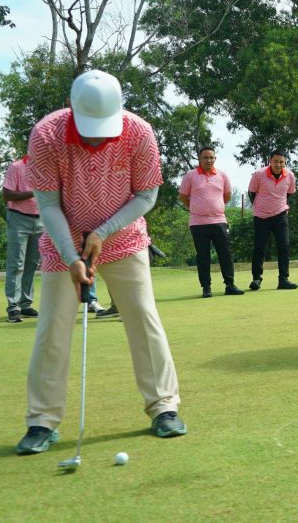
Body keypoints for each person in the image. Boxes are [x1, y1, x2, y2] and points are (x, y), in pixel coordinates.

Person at [15, 70, 186, 456]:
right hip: (63, 240)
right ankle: (41, 419)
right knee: (52, 327)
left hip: (124, 237)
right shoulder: (46, 134)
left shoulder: (139, 132)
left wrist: (103, 231)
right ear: (71, 109)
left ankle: (164, 407)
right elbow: (47, 204)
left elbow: (146, 196)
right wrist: (71, 255)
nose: (96, 138)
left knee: (143, 318)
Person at [179, 147, 244, 298]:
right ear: (199, 158)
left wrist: (216, 207)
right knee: (203, 256)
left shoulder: (222, 175)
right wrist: (194, 207)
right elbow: (182, 196)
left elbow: (227, 195)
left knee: (225, 253)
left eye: (211, 157)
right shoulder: (191, 175)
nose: (209, 160)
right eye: (205, 157)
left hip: (219, 220)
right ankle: (206, 287)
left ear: (215, 159)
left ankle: (230, 284)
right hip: (198, 223)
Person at [2, 155, 44, 323]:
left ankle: (25, 304)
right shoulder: (17, 167)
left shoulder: (46, 168)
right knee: (16, 263)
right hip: (19, 218)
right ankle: (13, 307)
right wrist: (34, 193)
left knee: (32, 264)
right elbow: (7, 195)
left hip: (40, 220)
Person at [248, 149, 297, 290]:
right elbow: (252, 193)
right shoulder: (259, 174)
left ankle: (283, 279)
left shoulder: (290, 176)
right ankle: (256, 279)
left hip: (280, 215)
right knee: (259, 248)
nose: (278, 164)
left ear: (285, 162)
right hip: (261, 216)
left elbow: (289, 194)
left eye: (281, 162)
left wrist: (282, 206)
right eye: (275, 161)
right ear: (270, 161)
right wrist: (260, 207)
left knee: (284, 247)